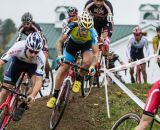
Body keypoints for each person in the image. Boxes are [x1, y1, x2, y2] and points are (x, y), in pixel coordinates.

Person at [46, 11, 99, 109]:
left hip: (85, 46)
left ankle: (79, 78)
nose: (84, 32)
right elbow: (59, 42)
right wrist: (59, 55)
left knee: (87, 61)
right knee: (63, 68)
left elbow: (96, 53)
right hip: (72, 45)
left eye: (87, 30)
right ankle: (55, 96)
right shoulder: (72, 26)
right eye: (82, 29)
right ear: (79, 25)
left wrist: (92, 66)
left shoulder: (92, 32)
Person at [0, 32, 46, 121]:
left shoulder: (41, 57)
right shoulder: (18, 46)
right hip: (18, 63)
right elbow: (1, 62)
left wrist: (33, 95)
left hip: (32, 67)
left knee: (33, 88)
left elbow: (39, 80)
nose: (33, 54)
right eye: (31, 51)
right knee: (5, 90)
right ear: (26, 47)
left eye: (36, 52)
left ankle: (23, 106)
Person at [17, 12, 50, 87]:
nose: (26, 26)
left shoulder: (36, 27)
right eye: (24, 23)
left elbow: (41, 39)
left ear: (31, 22)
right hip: (31, 42)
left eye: (28, 23)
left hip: (41, 42)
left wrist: (44, 49)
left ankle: (47, 77)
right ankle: (26, 77)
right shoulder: (21, 28)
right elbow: (18, 40)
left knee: (45, 58)